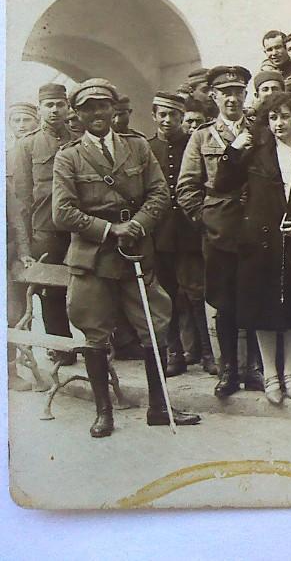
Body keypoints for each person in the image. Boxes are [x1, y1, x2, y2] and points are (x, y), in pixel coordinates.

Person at [51, 78, 201, 437]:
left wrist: (135, 226)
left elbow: (160, 194)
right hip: (92, 258)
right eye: (88, 108)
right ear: (77, 113)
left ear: (114, 108)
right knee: (95, 334)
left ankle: (159, 406)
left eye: (103, 105)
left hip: (136, 252)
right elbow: (62, 212)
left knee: (155, 325)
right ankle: (104, 412)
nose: (97, 113)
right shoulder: (68, 156)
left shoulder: (136, 148)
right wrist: (108, 229)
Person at [213, 92, 291, 406]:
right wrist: (235, 147)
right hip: (260, 244)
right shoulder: (256, 154)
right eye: (273, 117)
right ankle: (270, 375)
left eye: (284, 117)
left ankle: (290, 373)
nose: (278, 123)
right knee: (262, 310)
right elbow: (222, 184)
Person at [177, 66, 261, 396]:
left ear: (245, 96)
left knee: (253, 298)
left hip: (254, 226)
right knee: (224, 302)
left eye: (238, 92)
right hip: (218, 230)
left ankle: (254, 368)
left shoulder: (258, 132)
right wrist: (206, 219)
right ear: (214, 97)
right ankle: (228, 370)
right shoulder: (202, 137)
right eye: (225, 93)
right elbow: (186, 187)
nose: (232, 99)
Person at [147, 91, 212, 376]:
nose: (167, 120)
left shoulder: (192, 143)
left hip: (189, 231)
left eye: (173, 114)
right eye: (162, 114)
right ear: (154, 116)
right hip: (159, 233)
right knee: (166, 295)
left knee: (197, 293)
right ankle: (175, 353)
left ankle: (208, 353)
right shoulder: (147, 148)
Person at [10, 83, 76, 361]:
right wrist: (26, 245)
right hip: (45, 230)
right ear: (40, 109)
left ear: (67, 108)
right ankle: (61, 347)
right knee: (50, 291)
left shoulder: (78, 140)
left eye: (60, 104)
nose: (54, 110)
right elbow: (22, 200)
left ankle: (102, 346)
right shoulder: (27, 145)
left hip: (79, 228)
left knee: (88, 287)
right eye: (49, 105)